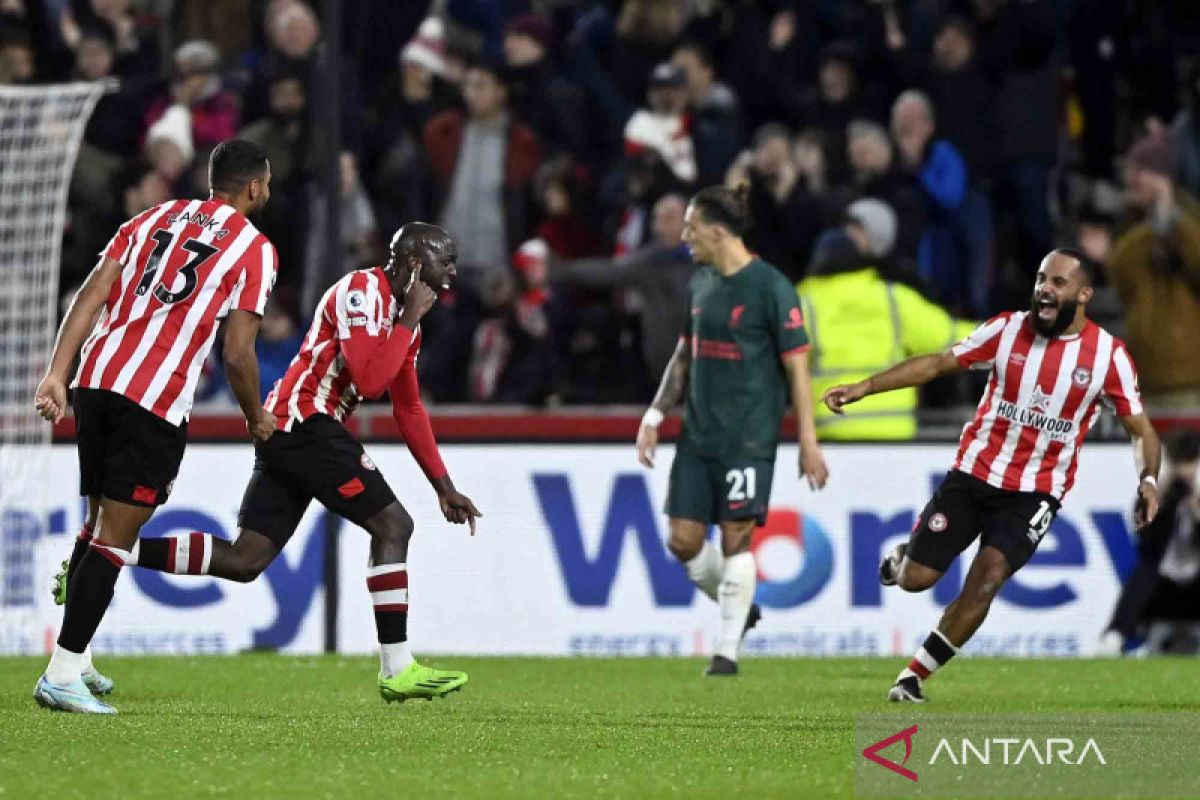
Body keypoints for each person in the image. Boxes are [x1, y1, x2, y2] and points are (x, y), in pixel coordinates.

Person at [60, 224, 482, 705]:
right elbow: (368, 380)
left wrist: (443, 485)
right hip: (304, 421)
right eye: (443, 261)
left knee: (245, 560)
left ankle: (112, 553)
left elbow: (407, 406)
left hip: (292, 429)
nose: (450, 272)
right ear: (411, 264)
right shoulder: (361, 293)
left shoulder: (408, 320)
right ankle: (397, 667)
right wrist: (407, 320)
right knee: (393, 525)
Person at [823, 248, 1161, 702]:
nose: (1044, 288)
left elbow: (1140, 429)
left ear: (1083, 294)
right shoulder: (1005, 330)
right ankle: (906, 553)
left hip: (1035, 492)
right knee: (917, 579)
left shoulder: (1107, 357)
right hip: (974, 475)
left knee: (989, 574)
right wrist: (866, 387)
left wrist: (1148, 480)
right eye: (1041, 278)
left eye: (1058, 282)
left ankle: (913, 676)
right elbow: (938, 362)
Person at [32, 140, 280, 714]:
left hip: (95, 378)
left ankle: (80, 657)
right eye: (265, 184)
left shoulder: (151, 217)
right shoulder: (254, 249)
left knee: (97, 522)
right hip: (152, 396)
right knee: (115, 537)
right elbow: (239, 354)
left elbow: (93, 293)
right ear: (254, 187)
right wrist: (254, 415)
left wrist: (56, 374)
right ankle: (61, 672)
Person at [635, 184, 830, 677]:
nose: (684, 236)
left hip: (749, 437)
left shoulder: (771, 287)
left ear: (718, 232)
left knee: (737, 538)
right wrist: (655, 415)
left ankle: (726, 653)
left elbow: (797, 369)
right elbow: (684, 356)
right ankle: (742, 607)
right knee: (682, 541)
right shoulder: (700, 282)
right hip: (698, 437)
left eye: (691, 227)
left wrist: (808, 439)